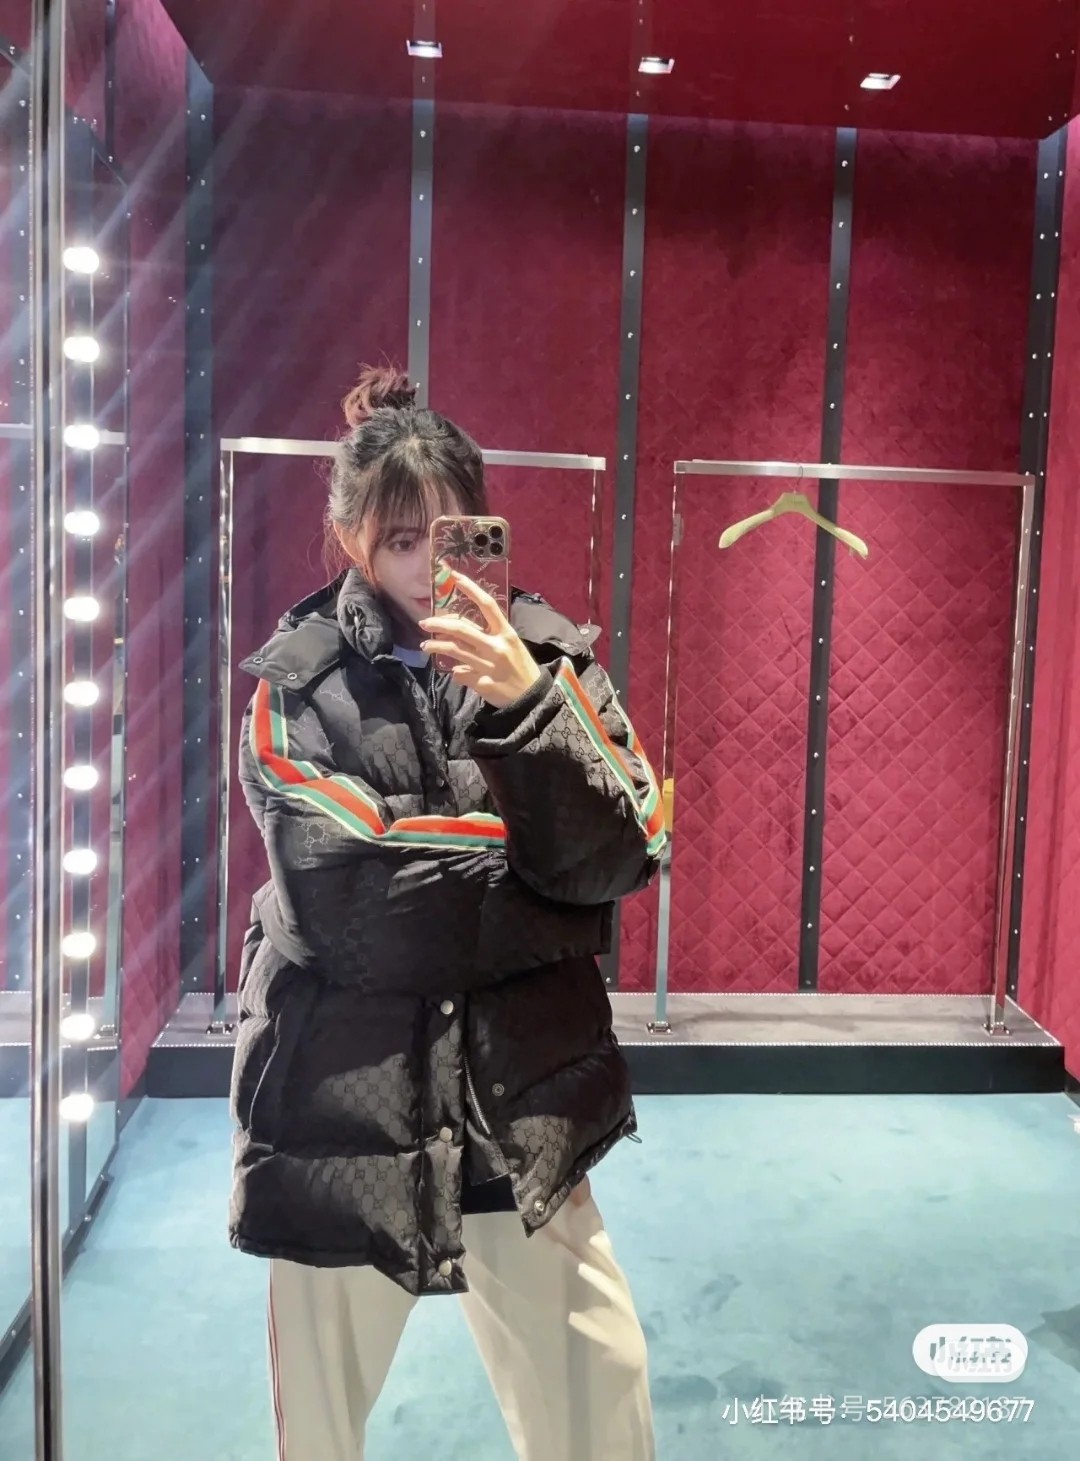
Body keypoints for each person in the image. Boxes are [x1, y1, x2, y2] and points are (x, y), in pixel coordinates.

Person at [227, 365, 667, 1460]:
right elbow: (340, 897)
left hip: (518, 1103)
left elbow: (625, 848)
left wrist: (527, 705)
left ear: (485, 522)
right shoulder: (297, 683)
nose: (430, 564)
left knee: (601, 1400)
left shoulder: (551, 660)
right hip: (342, 1104)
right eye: (400, 538)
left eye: (452, 532)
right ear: (350, 538)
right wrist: (544, 895)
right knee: (320, 1427)